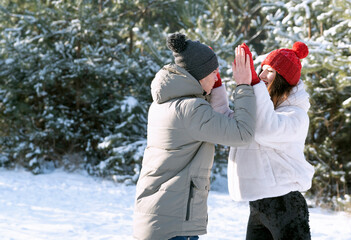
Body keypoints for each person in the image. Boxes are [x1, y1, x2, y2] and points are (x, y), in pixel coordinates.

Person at [133, 33, 256, 240]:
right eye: (214, 73)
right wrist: (244, 86)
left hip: (157, 218)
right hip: (174, 225)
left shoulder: (164, 103)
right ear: (199, 74)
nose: (217, 78)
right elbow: (242, 133)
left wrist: (214, 88)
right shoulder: (191, 109)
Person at [210, 42, 315, 240]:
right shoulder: (264, 109)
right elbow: (229, 124)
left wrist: (252, 84)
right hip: (258, 204)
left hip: (286, 204)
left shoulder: (296, 115)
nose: (263, 75)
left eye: (271, 71)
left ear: (284, 79)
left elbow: (266, 129)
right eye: (262, 70)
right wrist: (215, 84)